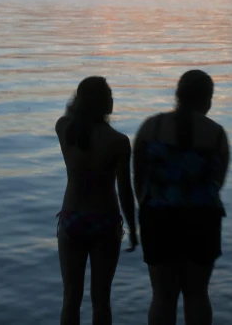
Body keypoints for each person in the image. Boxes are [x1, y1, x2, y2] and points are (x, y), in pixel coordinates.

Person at [133, 70, 230, 325]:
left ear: (177, 95)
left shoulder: (150, 127)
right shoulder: (217, 134)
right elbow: (217, 182)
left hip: (158, 218)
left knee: (163, 297)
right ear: (208, 99)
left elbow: (138, 178)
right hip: (202, 220)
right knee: (197, 295)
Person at [55, 76, 138, 325]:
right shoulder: (119, 142)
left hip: (72, 220)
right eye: (110, 95)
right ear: (104, 103)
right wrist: (133, 229)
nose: (113, 99)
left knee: (71, 298)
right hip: (105, 221)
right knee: (101, 299)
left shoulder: (64, 129)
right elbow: (125, 190)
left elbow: (71, 116)